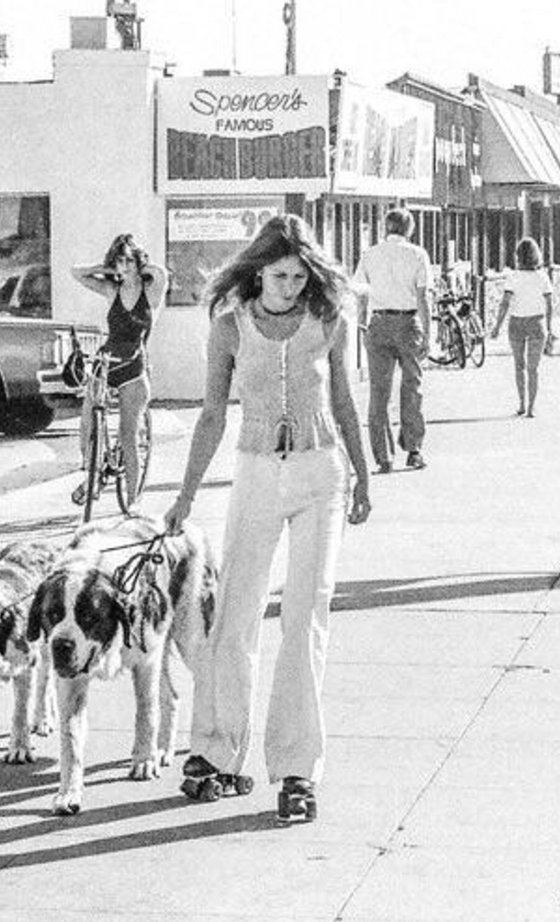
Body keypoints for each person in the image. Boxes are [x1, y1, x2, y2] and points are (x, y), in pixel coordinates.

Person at [164, 214, 371, 820]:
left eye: (300, 275)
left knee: (306, 618)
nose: (291, 286)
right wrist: (184, 495)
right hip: (256, 473)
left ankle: (297, 769)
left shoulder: (329, 321)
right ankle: (214, 751)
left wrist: (363, 474)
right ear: (258, 272)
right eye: (280, 275)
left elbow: (344, 401)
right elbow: (209, 417)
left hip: (319, 475)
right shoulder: (228, 328)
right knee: (235, 613)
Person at [70, 234, 168, 508]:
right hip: (107, 361)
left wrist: (137, 264)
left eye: (128, 260)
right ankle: (92, 472)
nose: (123, 266)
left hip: (134, 365)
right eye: (119, 261)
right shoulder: (111, 290)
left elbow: (160, 273)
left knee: (129, 436)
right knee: (88, 418)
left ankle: (133, 502)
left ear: (138, 261)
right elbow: (76, 273)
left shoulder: (152, 291)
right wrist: (108, 268)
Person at [354, 209, 431, 474]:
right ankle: (413, 449)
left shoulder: (369, 254)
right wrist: (428, 332)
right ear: (409, 228)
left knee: (379, 392)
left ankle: (383, 457)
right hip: (408, 322)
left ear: (386, 227)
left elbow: (361, 295)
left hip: (378, 323)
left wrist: (363, 325)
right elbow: (423, 298)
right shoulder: (417, 254)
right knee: (412, 387)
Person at [490, 237, 553, 417]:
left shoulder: (513, 277)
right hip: (537, 323)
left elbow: (505, 303)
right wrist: (549, 327)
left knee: (519, 366)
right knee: (534, 368)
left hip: (516, 323)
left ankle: (521, 404)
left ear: (518, 256)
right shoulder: (542, 277)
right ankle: (532, 407)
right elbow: (549, 304)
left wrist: (497, 326)